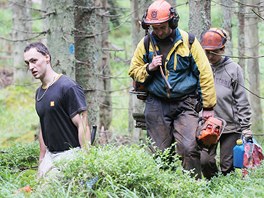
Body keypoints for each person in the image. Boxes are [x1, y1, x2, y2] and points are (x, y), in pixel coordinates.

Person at [128, 0, 216, 179]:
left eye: (162, 27)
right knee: (160, 152)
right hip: (157, 103)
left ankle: (192, 188)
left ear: (172, 22)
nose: (159, 32)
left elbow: (205, 73)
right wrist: (149, 67)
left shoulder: (188, 42)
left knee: (189, 148)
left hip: (185, 103)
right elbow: (133, 71)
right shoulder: (145, 44)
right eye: (155, 28)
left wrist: (208, 107)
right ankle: (165, 188)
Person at [24, 42, 91, 178]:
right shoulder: (39, 93)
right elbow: (44, 127)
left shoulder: (67, 87)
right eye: (27, 63)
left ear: (47, 58)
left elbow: (82, 123)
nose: (31, 67)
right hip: (50, 155)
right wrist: (41, 161)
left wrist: (86, 160)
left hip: (70, 154)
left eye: (34, 61)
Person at [200, 28, 252, 179]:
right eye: (207, 52)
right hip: (207, 125)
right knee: (205, 161)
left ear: (222, 49)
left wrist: (246, 127)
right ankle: (214, 185)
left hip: (230, 126)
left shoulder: (234, 69)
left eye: (213, 52)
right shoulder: (201, 67)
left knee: (226, 165)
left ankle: (225, 188)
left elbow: (241, 99)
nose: (209, 56)